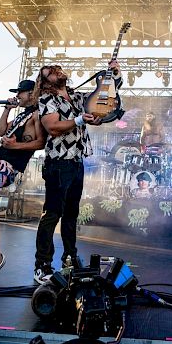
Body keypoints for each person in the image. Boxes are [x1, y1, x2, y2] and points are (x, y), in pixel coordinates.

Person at [34, 61, 122, 284]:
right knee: (53, 213)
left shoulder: (75, 96)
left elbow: (101, 103)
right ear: (45, 82)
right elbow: (53, 126)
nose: (56, 73)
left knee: (71, 214)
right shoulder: (46, 99)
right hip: (57, 163)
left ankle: (70, 257)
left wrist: (114, 75)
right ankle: (42, 264)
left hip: (76, 161)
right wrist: (81, 119)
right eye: (50, 73)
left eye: (57, 69)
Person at [0, 80, 45, 279]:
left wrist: (14, 147)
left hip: (8, 165)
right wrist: (7, 110)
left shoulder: (37, 114)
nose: (18, 96)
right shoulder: (21, 115)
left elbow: (40, 143)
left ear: (32, 93)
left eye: (21, 93)